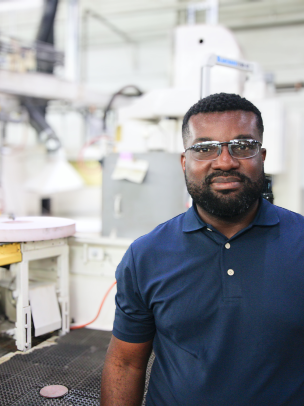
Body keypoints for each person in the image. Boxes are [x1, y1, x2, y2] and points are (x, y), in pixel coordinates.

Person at [100, 93, 304, 406]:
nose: (225, 162)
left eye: (243, 146)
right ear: (185, 162)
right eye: (204, 148)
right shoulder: (146, 255)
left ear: (262, 156)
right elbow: (125, 363)